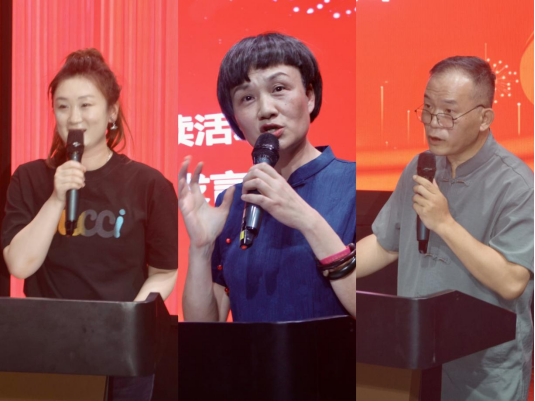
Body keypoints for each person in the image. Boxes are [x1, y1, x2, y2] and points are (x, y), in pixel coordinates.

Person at [1, 49, 178, 400]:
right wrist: (56, 199)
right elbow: (20, 265)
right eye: (62, 106)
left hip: (122, 353)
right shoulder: (30, 178)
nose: (74, 118)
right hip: (46, 348)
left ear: (111, 111)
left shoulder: (149, 185)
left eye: (85, 105)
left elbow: (163, 272)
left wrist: (127, 323)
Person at [356, 56, 534, 401]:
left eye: (449, 113)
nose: (433, 123)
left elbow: (511, 281)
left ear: (484, 118)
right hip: (415, 354)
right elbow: (385, 244)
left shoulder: (517, 185)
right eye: (427, 109)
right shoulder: (421, 166)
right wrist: (332, 267)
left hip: (482, 370)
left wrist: (444, 223)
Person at [179, 33, 356, 323]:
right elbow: (205, 330)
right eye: (247, 98)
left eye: (279, 88)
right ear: (235, 119)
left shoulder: (352, 183)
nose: (265, 110)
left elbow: (374, 315)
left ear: (309, 96)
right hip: (251, 355)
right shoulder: (233, 202)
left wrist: (307, 220)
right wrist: (201, 249)